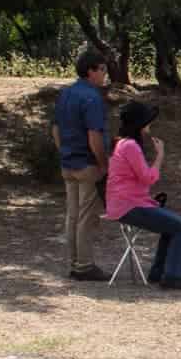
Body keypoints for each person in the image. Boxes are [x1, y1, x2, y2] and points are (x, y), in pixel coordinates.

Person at [107, 101, 181, 290]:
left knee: (171, 227)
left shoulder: (121, 143)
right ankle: (172, 277)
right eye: (147, 122)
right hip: (129, 206)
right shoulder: (130, 146)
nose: (150, 125)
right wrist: (160, 156)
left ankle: (159, 273)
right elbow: (147, 178)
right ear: (139, 124)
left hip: (124, 203)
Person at [52, 48, 109, 281]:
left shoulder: (66, 94)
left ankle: (75, 262)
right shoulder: (92, 97)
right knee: (86, 216)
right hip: (86, 164)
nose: (105, 74)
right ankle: (84, 265)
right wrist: (103, 163)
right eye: (103, 69)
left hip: (68, 163)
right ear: (91, 71)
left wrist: (63, 151)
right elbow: (94, 135)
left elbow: (55, 129)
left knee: (72, 215)